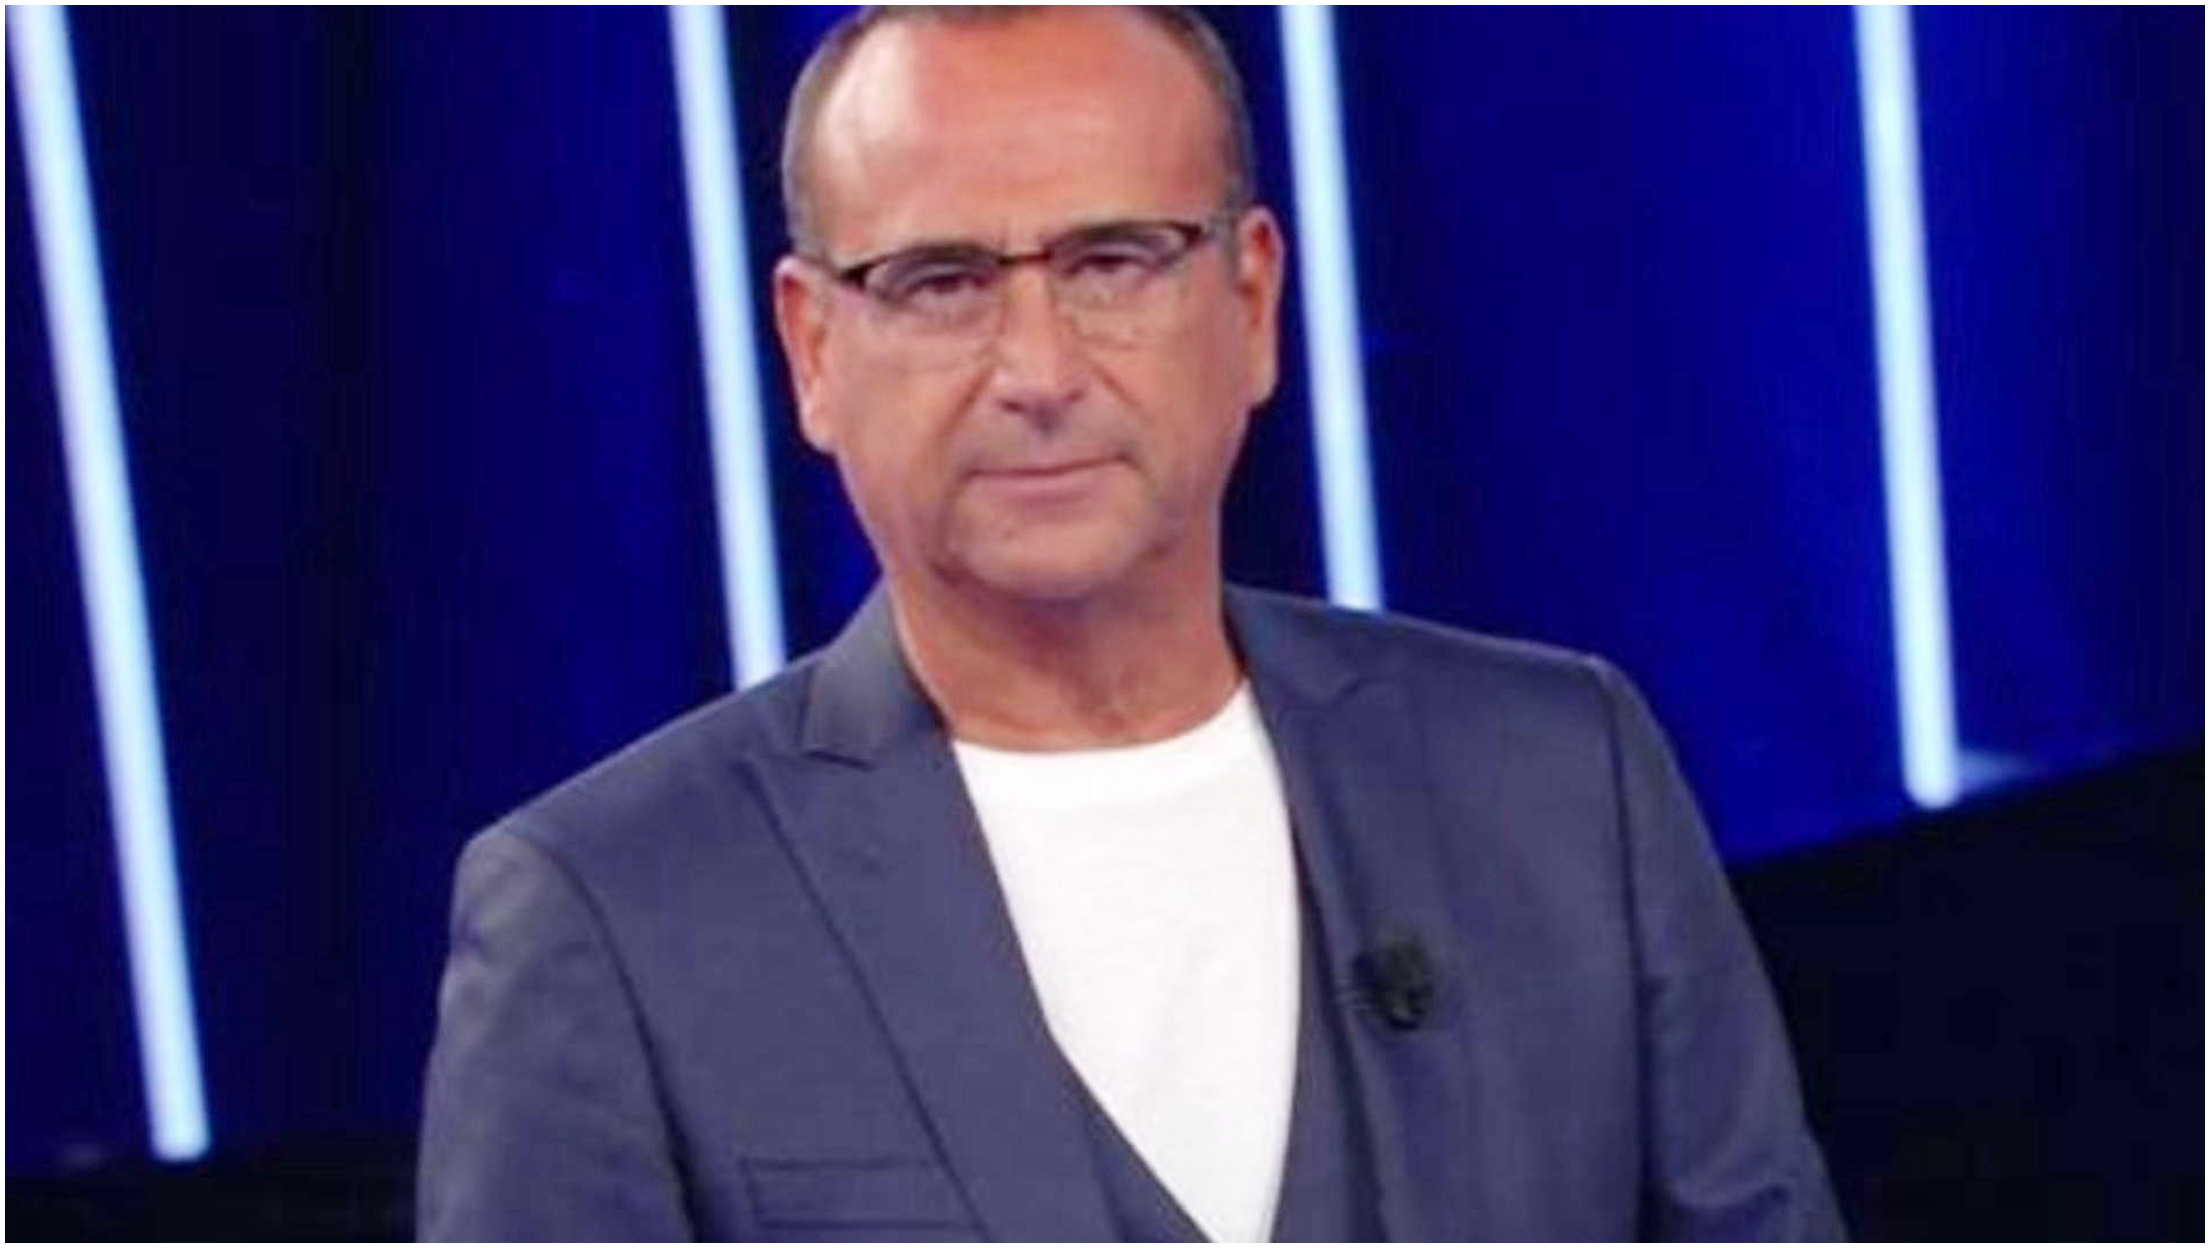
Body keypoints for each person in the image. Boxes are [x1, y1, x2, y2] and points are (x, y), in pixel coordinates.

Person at [417, 7, 1843, 1241]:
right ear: (812, 350)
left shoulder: (1560, 781)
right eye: (941, 283)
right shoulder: (609, 911)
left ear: (1253, 299)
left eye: (1113, 261)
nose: (1037, 370)